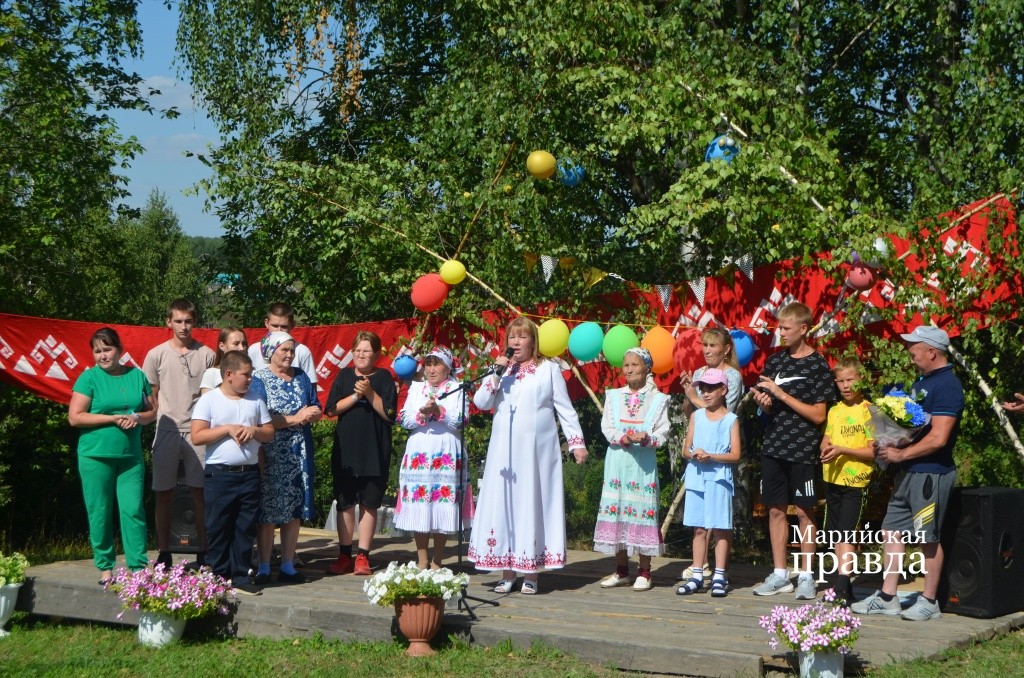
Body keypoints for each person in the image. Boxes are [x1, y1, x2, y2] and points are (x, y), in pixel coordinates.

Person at [468, 317, 588, 595]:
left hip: (536, 452)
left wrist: (576, 442)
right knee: (505, 504)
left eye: (522, 337)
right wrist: (496, 373)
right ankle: (507, 571)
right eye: (512, 337)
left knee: (531, 503)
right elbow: (481, 403)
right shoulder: (500, 370)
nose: (516, 342)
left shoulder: (549, 369)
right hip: (504, 453)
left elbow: (565, 408)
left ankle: (531, 572)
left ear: (533, 341)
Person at [852, 325, 964, 621]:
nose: (910, 354)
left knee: (927, 537)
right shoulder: (920, 382)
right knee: (891, 530)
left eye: (915, 349)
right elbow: (913, 430)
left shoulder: (948, 386)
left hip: (930, 473)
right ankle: (888, 597)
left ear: (932, 351)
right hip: (907, 471)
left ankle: (929, 601)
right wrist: (890, 441)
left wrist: (902, 452)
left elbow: (939, 437)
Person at [752, 302, 837, 599]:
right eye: (780, 327)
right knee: (774, 510)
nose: (781, 333)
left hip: (803, 451)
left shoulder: (818, 365)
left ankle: (805, 575)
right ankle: (779, 574)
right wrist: (764, 404)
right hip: (773, 447)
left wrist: (780, 394)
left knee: (804, 512)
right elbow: (768, 405)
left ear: (804, 329)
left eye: (786, 328)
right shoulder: (774, 363)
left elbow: (818, 415)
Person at [68, 328, 156, 584]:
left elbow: (153, 412)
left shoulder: (136, 376)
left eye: (107, 349)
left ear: (119, 349)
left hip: (130, 457)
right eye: (97, 351)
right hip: (95, 456)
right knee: (100, 511)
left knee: (133, 510)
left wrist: (137, 417)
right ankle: (105, 567)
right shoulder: (89, 379)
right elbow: (75, 417)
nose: (103, 355)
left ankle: (138, 568)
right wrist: (113, 418)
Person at [191, 350, 274, 594]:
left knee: (245, 527)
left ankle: (240, 576)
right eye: (245, 375)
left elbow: (269, 432)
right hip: (220, 474)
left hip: (249, 473)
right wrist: (227, 428)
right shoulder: (210, 400)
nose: (250, 380)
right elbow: (197, 436)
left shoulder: (256, 399)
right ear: (228, 374)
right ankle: (218, 576)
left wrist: (254, 431)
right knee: (218, 526)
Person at [142, 299, 216, 568]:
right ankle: (164, 551)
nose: (184, 326)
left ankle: (204, 550)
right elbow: (151, 398)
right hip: (167, 430)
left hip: (198, 430)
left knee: (201, 493)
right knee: (163, 492)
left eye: (188, 321)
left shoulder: (207, 354)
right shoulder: (156, 355)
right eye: (178, 321)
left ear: (194, 322)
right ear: (168, 322)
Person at [594, 347, 669, 592]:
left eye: (635, 365)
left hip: (642, 465)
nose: (629, 369)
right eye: (626, 365)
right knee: (617, 511)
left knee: (641, 510)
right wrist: (623, 437)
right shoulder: (614, 396)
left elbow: (664, 432)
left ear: (647, 367)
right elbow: (607, 427)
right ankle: (621, 570)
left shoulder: (658, 399)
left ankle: (645, 572)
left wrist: (646, 437)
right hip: (618, 461)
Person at [249, 332, 322, 584]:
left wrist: (312, 415)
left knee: (294, 506)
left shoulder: (301, 376)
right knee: (267, 509)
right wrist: (295, 418)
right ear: (271, 351)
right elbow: (261, 418)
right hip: (270, 451)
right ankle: (265, 566)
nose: (290, 355)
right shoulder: (259, 379)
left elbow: (315, 406)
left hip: (299, 451)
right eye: (284, 350)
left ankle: (289, 564)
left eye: (292, 350)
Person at [324, 331, 398, 576]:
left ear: (376, 354)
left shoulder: (384, 377)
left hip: (375, 451)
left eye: (366, 351)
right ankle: (344, 554)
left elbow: (389, 414)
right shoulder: (344, 376)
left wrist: (369, 393)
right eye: (357, 350)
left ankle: (363, 556)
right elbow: (332, 409)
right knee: (345, 503)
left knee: (369, 504)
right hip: (346, 451)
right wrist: (356, 395)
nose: (361, 355)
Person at [394, 346, 472, 570]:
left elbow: (462, 420)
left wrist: (440, 412)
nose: (431, 369)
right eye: (428, 364)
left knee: (441, 503)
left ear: (448, 367)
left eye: (436, 363)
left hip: (446, 450)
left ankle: (438, 560)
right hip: (420, 450)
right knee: (421, 504)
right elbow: (404, 418)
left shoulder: (458, 388)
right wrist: (422, 414)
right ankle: (421, 560)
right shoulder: (417, 388)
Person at [677, 368, 741, 597]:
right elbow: (686, 449)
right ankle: (697, 575)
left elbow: (735, 455)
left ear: (724, 390)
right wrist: (695, 454)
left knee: (721, 529)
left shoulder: (731, 420)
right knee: (699, 529)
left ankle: (720, 575)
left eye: (711, 388)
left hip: (719, 479)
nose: (706, 393)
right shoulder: (696, 416)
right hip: (697, 478)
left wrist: (711, 456)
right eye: (703, 388)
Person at [819, 357, 875, 604]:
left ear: (860, 379)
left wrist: (843, 450)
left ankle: (841, 587)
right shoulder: (835, 410)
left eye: (850, 380)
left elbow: (873, 451)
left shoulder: (869, 410)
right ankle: (844, 586)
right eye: (840, 381)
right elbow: (827, 440)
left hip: (856, 480)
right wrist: (826, 448)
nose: (845, 386)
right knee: (834, 535)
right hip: (833, 478)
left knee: (846, 535)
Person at [247, 302, 318, 387]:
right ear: (266, 323)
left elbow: (311, 388)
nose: (279, 330)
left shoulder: (302, 351)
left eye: (284, 327)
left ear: (292, 325)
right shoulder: (254, 350)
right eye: (275, 326)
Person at [680, 327, 745, 413]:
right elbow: (692, 415)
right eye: (705, 345)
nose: (707, 351)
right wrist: (688, 394)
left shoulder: (733, 376)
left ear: (726, 349)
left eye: (712, 345)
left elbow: (726, 414)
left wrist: (694, 398)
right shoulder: (698, 373)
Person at [200, 327, 248, 394]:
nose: (242, 348)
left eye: (244, 343)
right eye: (236, 343)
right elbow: (206, 403)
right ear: (222, 346)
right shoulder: (211, 374)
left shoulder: (254, 374)